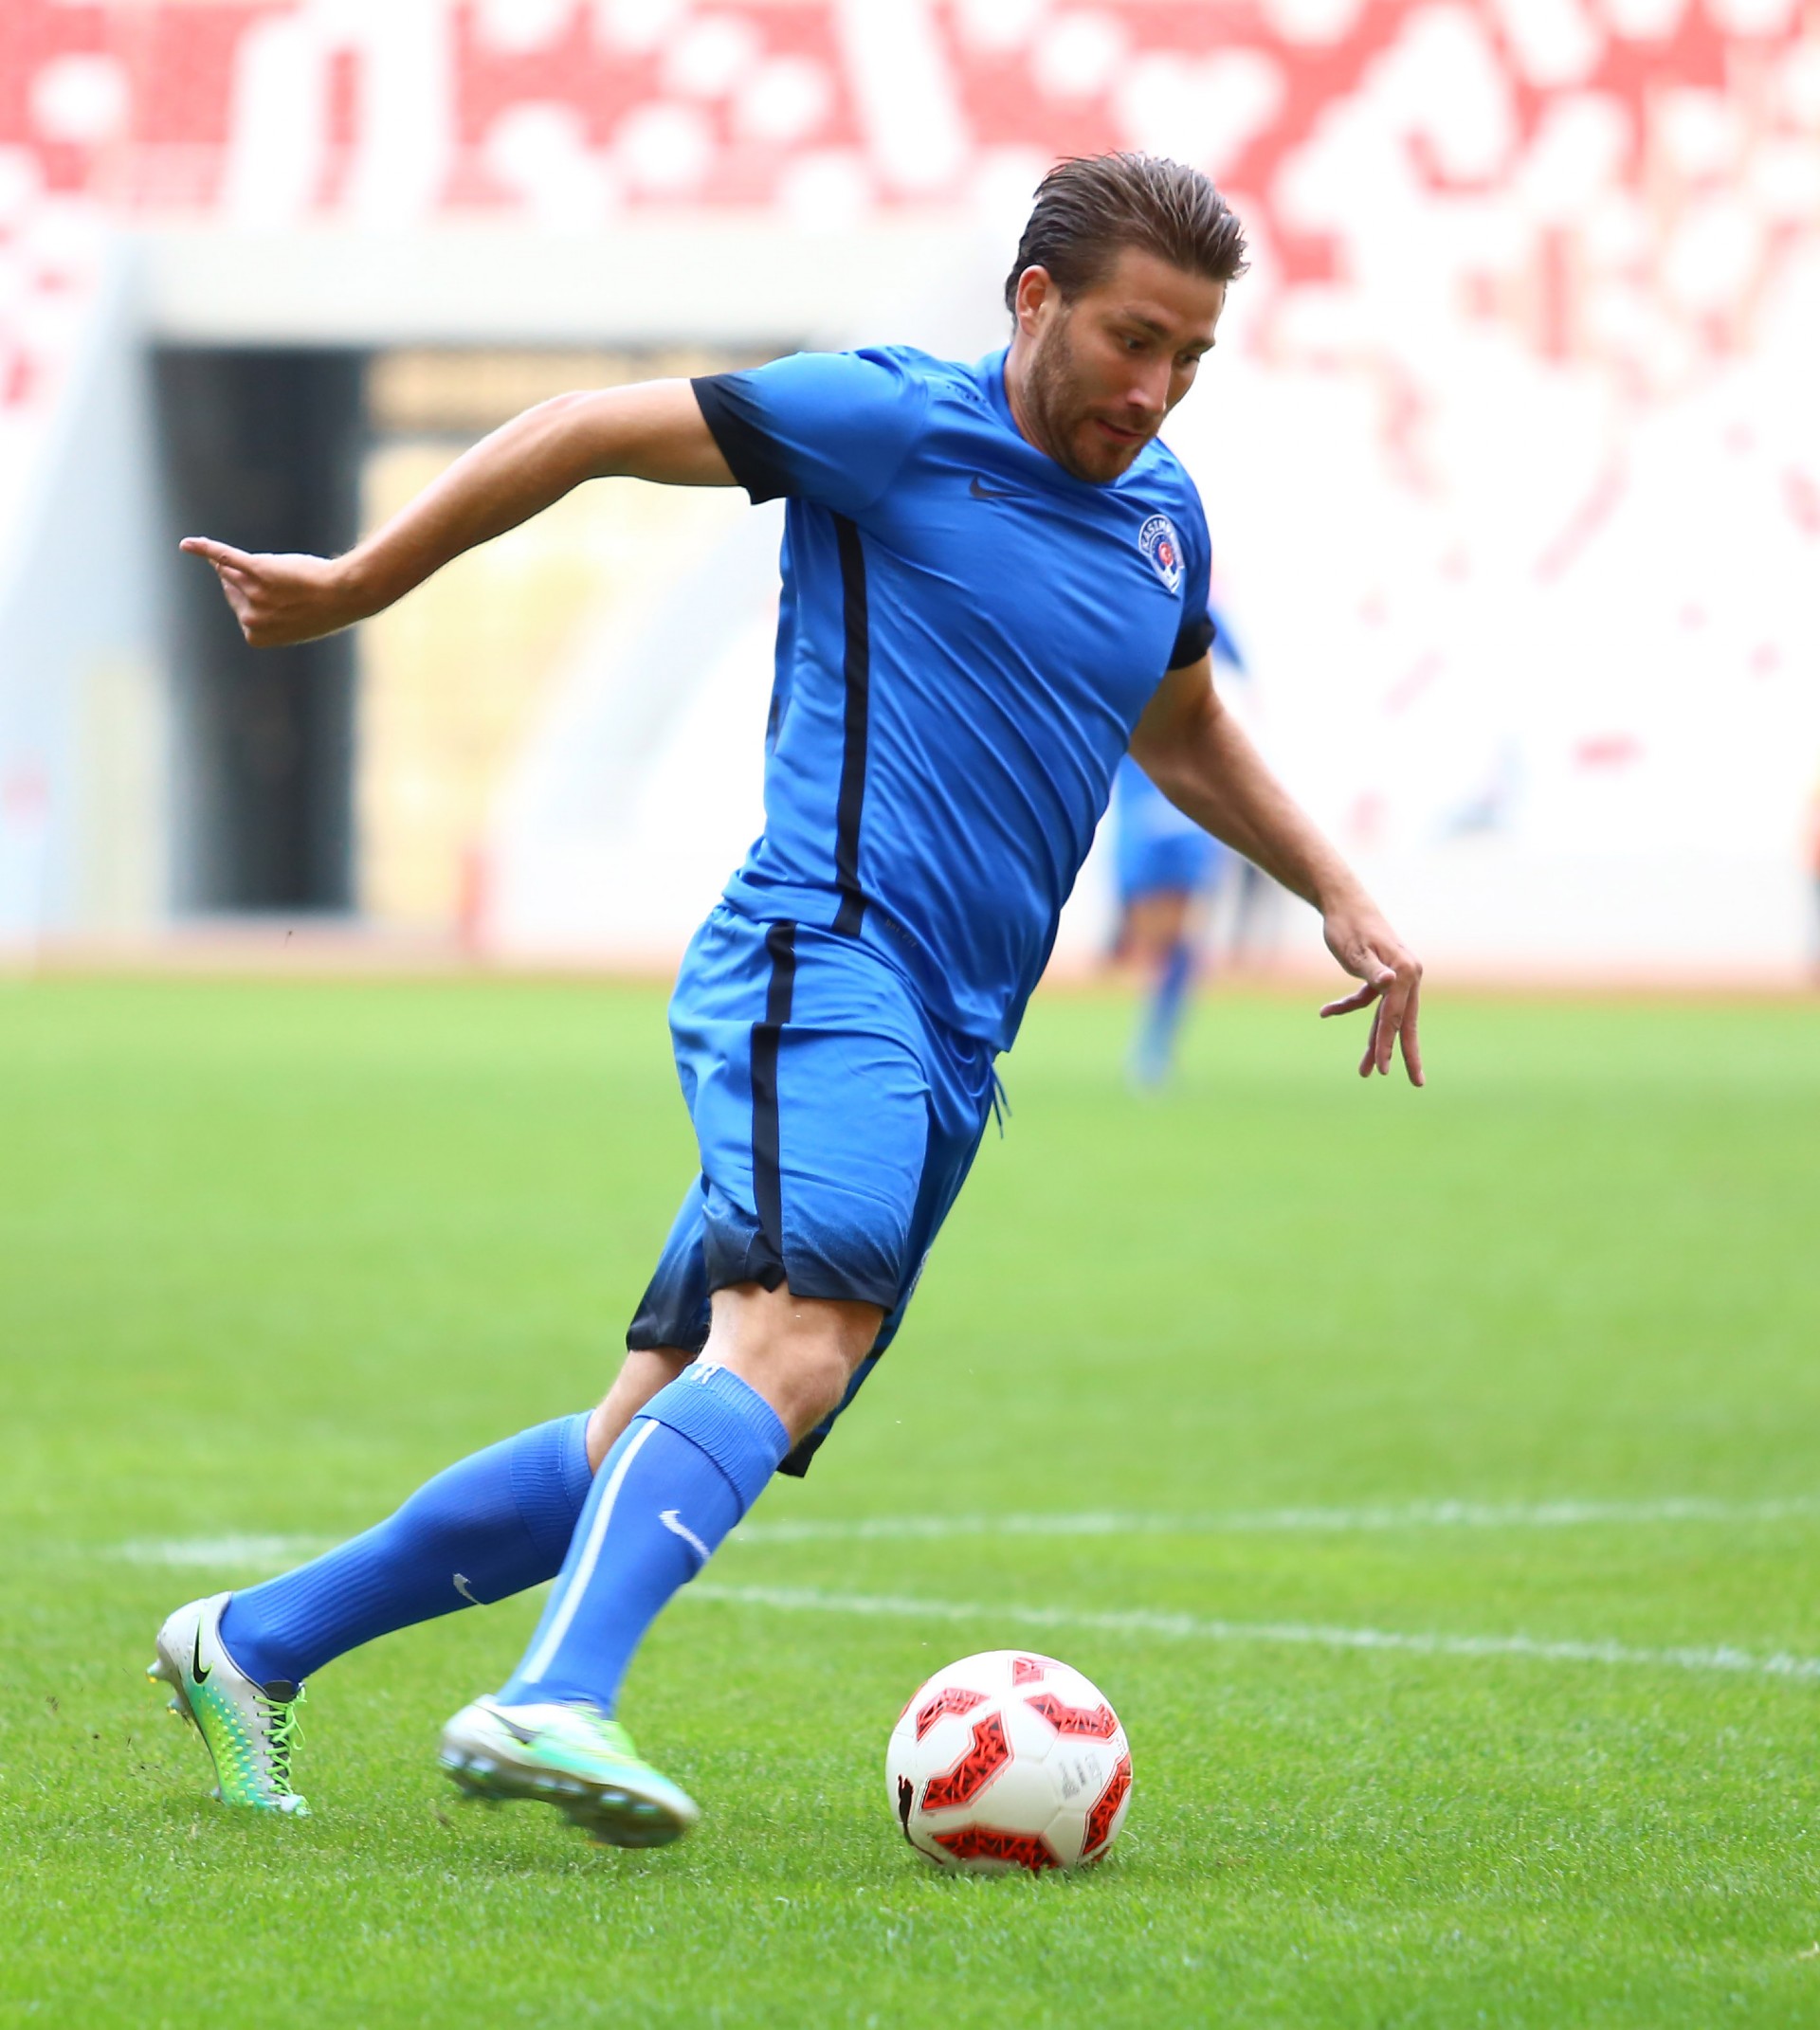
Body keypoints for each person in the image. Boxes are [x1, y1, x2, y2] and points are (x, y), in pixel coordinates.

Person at [149, 154, 1423, 1845]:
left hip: (954, 1042)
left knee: (646, 1426)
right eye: (1133, 339)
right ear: (1033, 299)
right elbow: (587, 427)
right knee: (794, 1344)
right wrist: (361, 582)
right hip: (825, 960)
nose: (1155, 387)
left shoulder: (1162, 516)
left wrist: (1336, 885)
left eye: (1190, 356)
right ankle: (552, 1696)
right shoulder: (887, 422)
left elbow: (1179, 730)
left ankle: (250, 1643)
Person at [1109, 600, 1245, 1083]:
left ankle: (1153, 1045)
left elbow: (1236, 669)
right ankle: (1152, 1044)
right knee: (1155, 941)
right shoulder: (1126, 614)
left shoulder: (1193, 608)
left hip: (1183, 818)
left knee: (1176, 940)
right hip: (1147, 814)